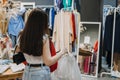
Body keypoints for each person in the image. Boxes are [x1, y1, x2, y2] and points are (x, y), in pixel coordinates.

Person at [18, 8, 67, 80]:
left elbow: (19, 53)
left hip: (27, 71)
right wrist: (61, 53)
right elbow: (48, 62)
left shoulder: (22, 36)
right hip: (40, 72)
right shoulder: (43, 38)